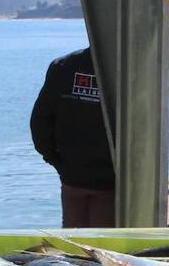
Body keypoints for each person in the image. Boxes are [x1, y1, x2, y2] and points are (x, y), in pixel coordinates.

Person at [30, 47, 116, 228]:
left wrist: (55, 160)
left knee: (74, 242)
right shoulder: (124, 69)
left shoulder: (63, 66)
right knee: (101, 245)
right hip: (109, 181)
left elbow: (40, 122)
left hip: (72, 175)